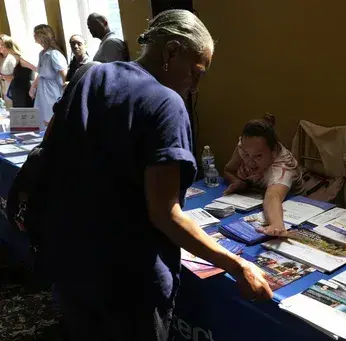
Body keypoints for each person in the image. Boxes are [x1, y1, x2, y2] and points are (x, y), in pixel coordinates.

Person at [42, 10, 271, 340]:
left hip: (71, 263)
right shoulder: (166, 103)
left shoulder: (90, 76)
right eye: (196, 72)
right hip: (128, 282)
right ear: (171, 52)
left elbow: (52, 149)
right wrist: (238, 266)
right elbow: (165, 214)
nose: (196, 85)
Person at [224, 114, 304, 236]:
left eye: (258, 156)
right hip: (255, 197)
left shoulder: (282, 167)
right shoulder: (246, 145)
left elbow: (273, 196)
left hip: (291, 206)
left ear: (273, 151)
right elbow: (229, 170)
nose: (250, 162)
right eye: (246, 155)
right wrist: (239, 183)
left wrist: (277, 224)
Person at [30, 25, 67, 128]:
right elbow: (41, 73)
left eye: (35, 34)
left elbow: (63, 73)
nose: (33, 36)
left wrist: (66, 91)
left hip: (52, 91)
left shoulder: (54, 54)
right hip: (43, 91)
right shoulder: (42, 53)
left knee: (51, 118)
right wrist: (33, 86)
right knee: (41, 119)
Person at [0, 34, 36, 108]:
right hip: (14, 91)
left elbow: (39, 69)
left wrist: (33, 86)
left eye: (1, 44)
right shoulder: (11, 58)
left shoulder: (19, 58)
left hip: (22, 91)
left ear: (6, 46)